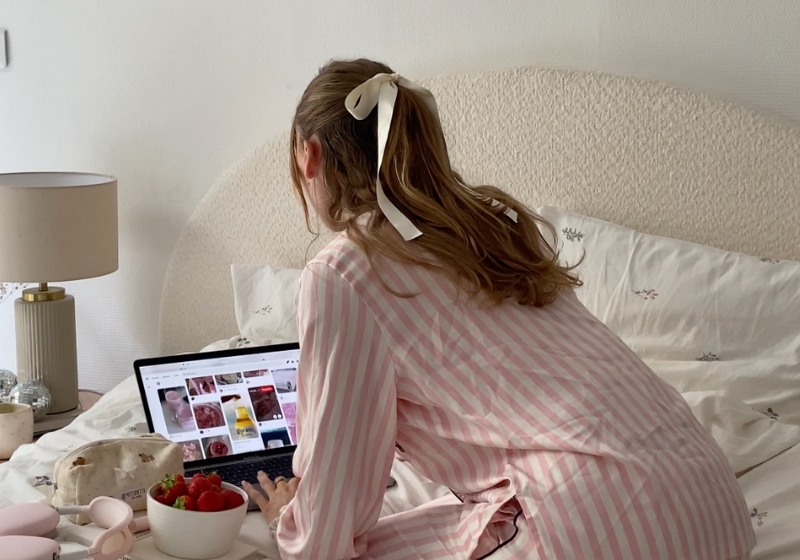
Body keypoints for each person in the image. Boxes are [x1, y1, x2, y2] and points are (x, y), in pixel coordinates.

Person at [241, 59, 756, 560]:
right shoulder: (497, 221)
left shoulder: (344, 275)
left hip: (597, 520)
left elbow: (337, 484)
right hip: (710, 503)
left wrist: (292, 523)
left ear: (308, 156)